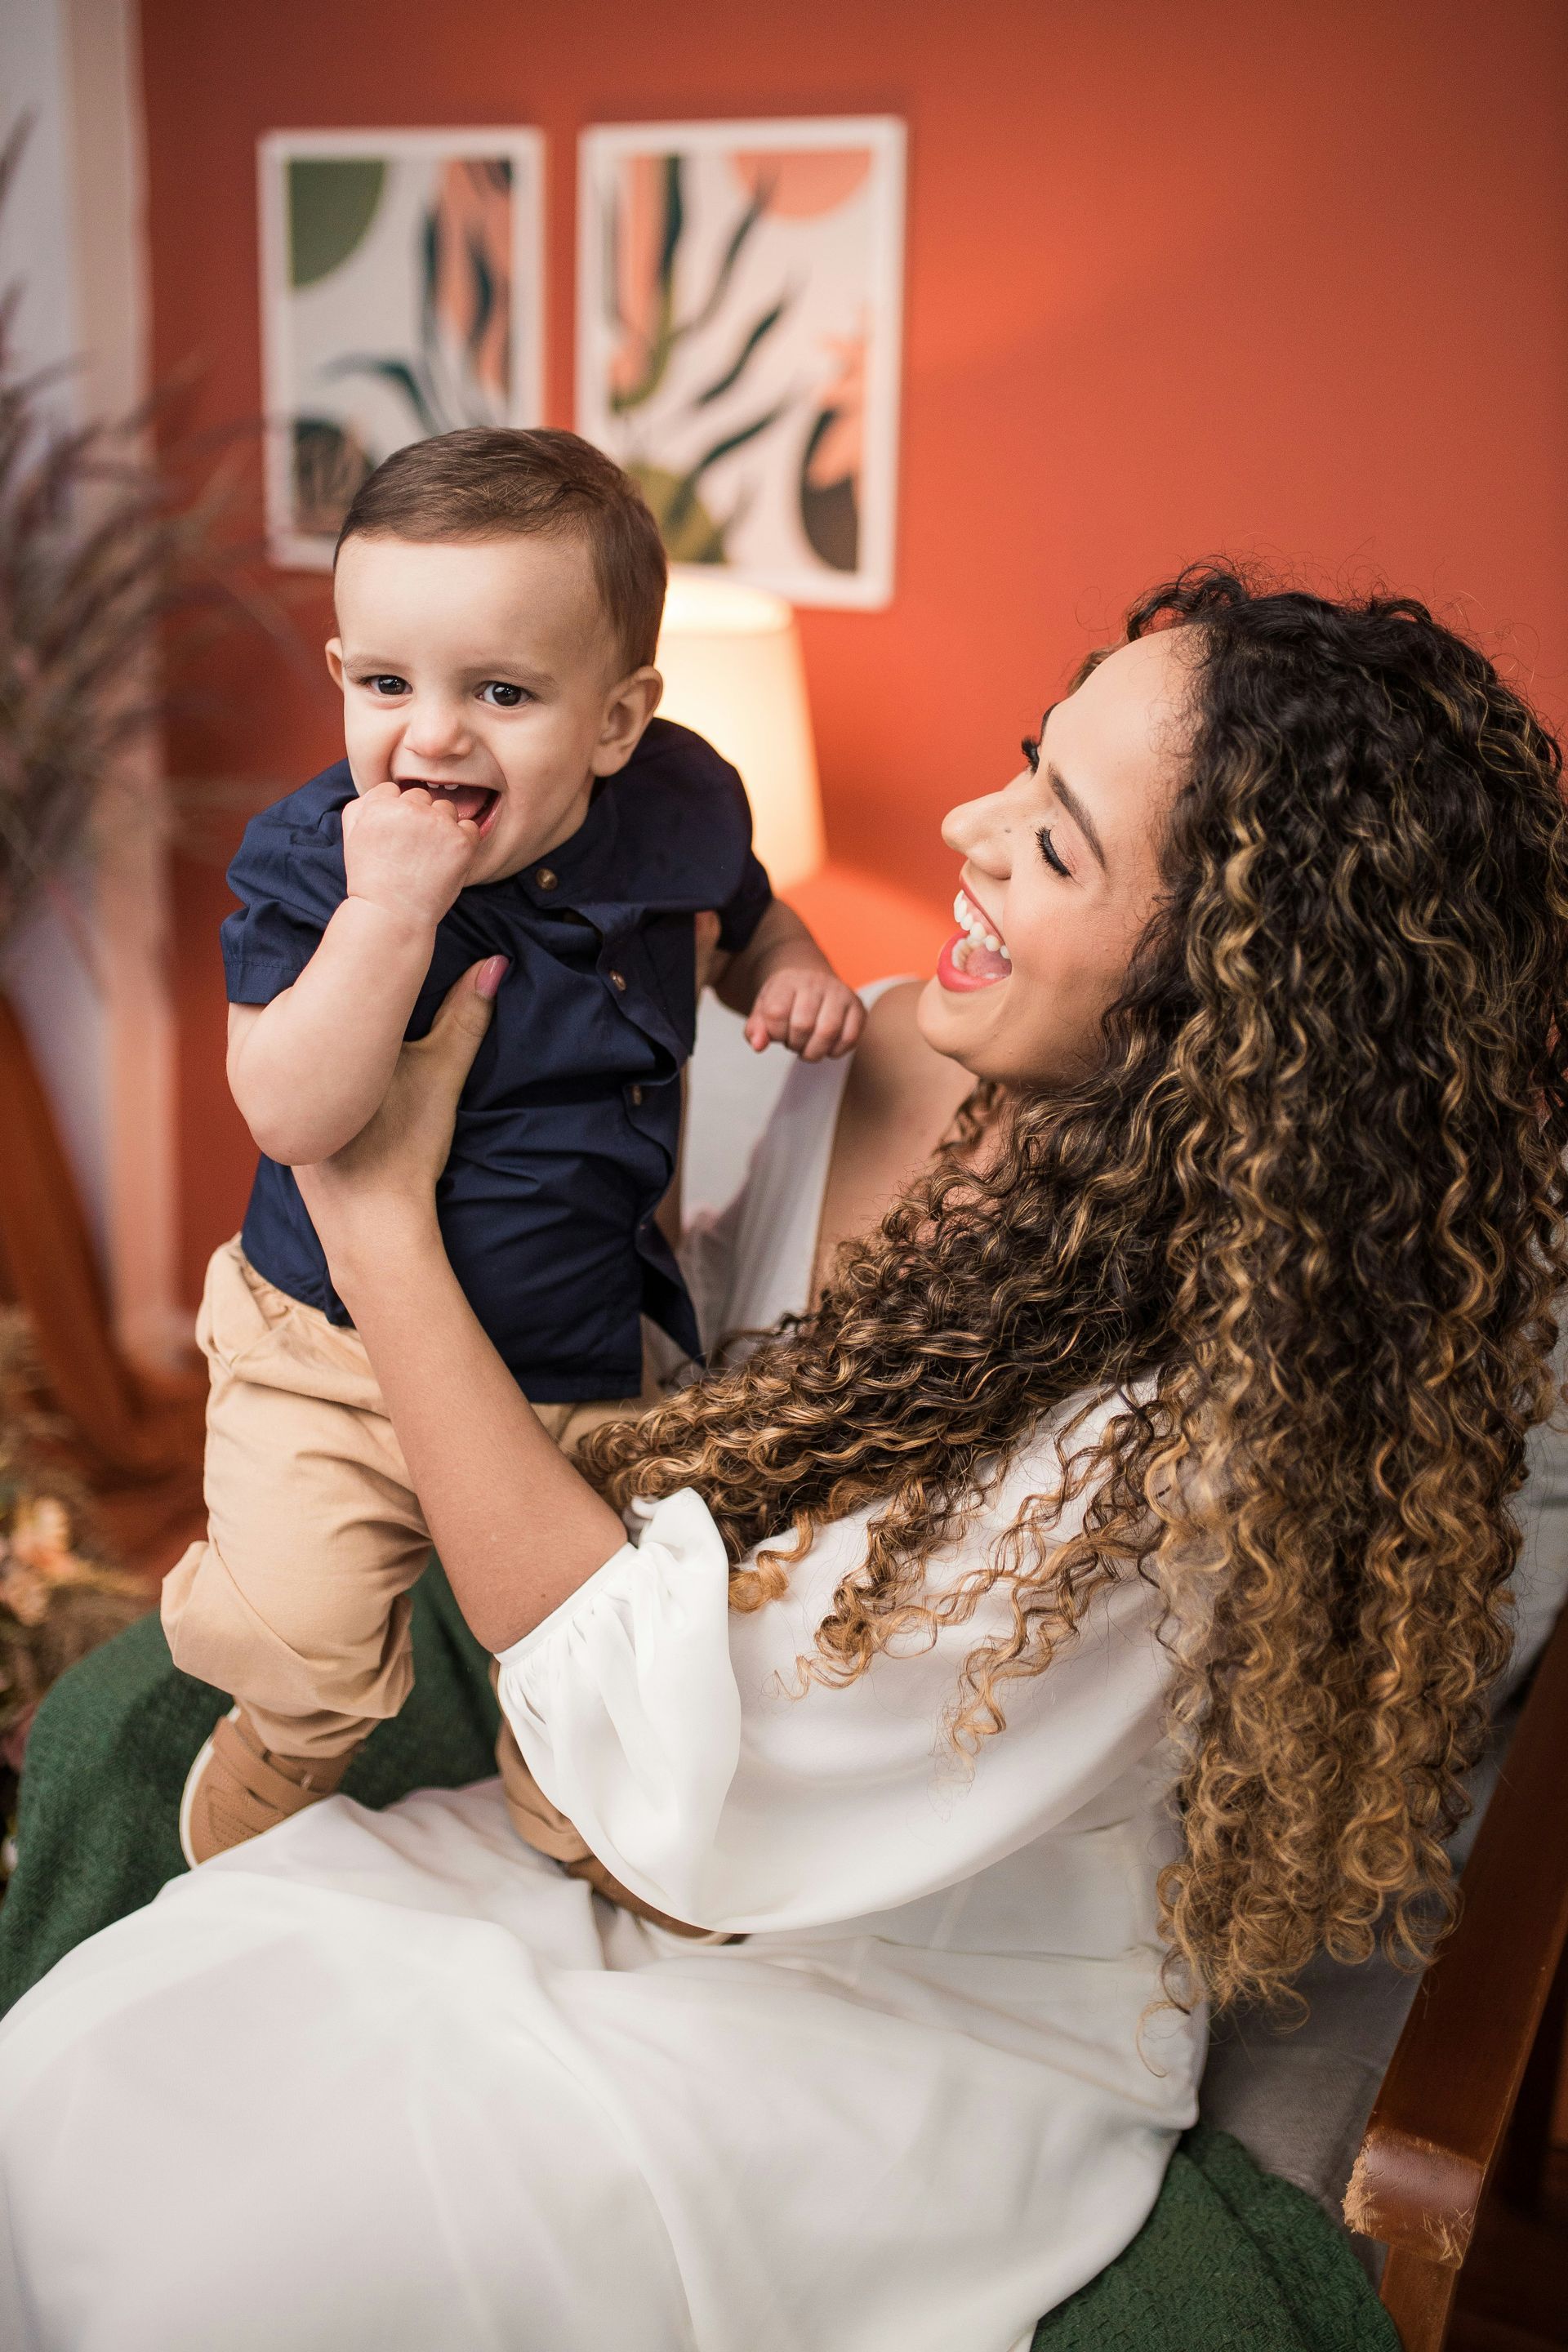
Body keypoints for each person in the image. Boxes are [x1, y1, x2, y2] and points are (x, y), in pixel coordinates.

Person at [2, 568, 1564, 2352]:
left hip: (885, 1983)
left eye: (1055, 848)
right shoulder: (882, 1051)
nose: (972, 831)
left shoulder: (1188, 1435)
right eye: (1023, 769)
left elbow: (706, 1802)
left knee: (247, 2272)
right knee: (80, 2089)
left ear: (1231, 995)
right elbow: (676, 1410)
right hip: (597, 1817)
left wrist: (377, 1233)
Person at [161, 426, 861, 1865]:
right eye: (385, 685)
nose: (430, 736)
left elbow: (741, 910)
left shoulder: (681, 800)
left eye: (501, 690)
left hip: (578, 1349)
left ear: (617, 719)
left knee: (609, 1659)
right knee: (298, 1626)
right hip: (331, 1350)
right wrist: (388, 918)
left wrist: (786, 968)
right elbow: (292, 1113)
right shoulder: (317, 860)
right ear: (344, 668)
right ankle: (279, 1744)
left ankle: (566, 1807)